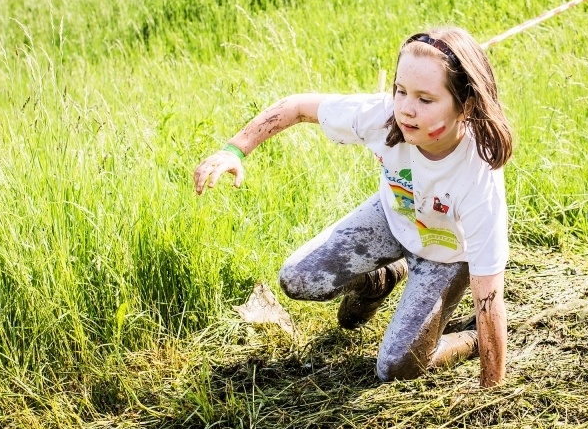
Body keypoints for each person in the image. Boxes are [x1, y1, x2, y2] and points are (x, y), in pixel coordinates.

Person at [194, 27, 512, 387]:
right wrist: (234, 150)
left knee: (395, 370)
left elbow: (488, 294)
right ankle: (382, 277)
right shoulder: (382, 116)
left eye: (426, 100)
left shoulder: (478, 179)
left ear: (465, 105)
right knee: (298, 278)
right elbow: (297, 107)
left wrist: (492, 389)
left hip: (447, 255)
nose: (406, 109)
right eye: (401, 90)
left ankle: (462, 339)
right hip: (394, 219)